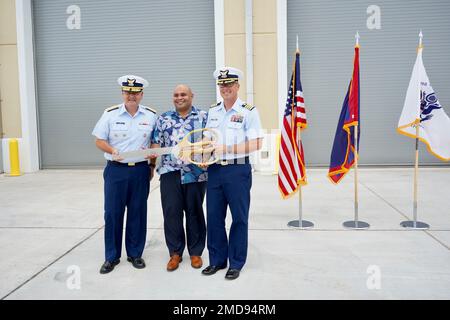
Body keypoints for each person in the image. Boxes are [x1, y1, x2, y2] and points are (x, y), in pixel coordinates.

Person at [201, 67, 263, 280]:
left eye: (229, 84)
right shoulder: (213, 111)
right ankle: (217, 260)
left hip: (237, 170)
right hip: (215, 170)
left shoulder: (248, 111)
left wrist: (227, 149)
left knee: (239, 218)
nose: (225, 88)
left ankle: (236, 263)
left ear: (237, 86)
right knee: (215, 217)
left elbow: (256, 143)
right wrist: (204, 157)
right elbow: (208, 140)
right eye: (222, 84)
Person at [92, 75, 157, 274]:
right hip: (116, 171)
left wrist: (152, 165)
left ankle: (135, 254)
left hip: (140, 170)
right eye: (128, 92)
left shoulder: (150, 115)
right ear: (122, 93)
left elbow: (155, 141)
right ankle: (111, 257)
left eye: (135, 92)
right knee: (112, 213)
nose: (131, 96)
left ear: (141, 95)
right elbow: (98, 140)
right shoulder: (110, 114)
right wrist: (111, 150)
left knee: (138, 212)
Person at [151, 84, 208, 271]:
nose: (179, 97)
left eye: (183, 94)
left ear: (192, 96)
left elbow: (210, 143)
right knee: (172, 213)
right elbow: (155, 143)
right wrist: (150, 157)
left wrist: (206, 158)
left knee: (195, 212)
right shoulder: (163, 119)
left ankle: (195, 253)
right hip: (169, 172)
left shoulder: (204, 117)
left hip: (196, 173)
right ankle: (175, 253)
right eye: (176, 95)